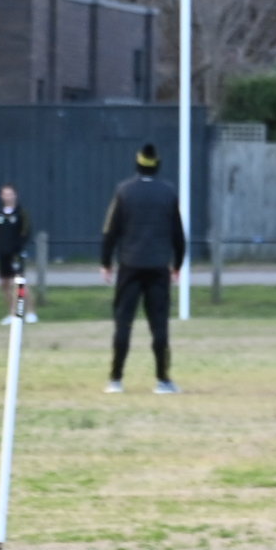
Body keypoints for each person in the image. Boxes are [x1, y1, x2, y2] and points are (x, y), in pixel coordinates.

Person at [99, 142, 184, 395]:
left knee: (123, 323)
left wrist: (106, 262)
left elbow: (110, 230)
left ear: (137, 164)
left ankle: (115, 379)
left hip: (130, 265)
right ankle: (163, 379)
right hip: (158, 267)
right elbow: (178, 233)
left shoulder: (124, 191)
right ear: (157, 165)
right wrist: (177, 264)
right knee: (159, 325)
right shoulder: (168, 192)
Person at [0, 184, 35, 324]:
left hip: (16, 254)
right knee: (4, 284)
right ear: (2, 196)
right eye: (5, 194)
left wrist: (18, 249)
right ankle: (11, 313)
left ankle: (28, 312)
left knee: (20, 283)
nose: (8, 196)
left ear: (15, 195)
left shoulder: (21, 213)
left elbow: (26, 232)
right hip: (3, 254)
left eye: (10, 194)